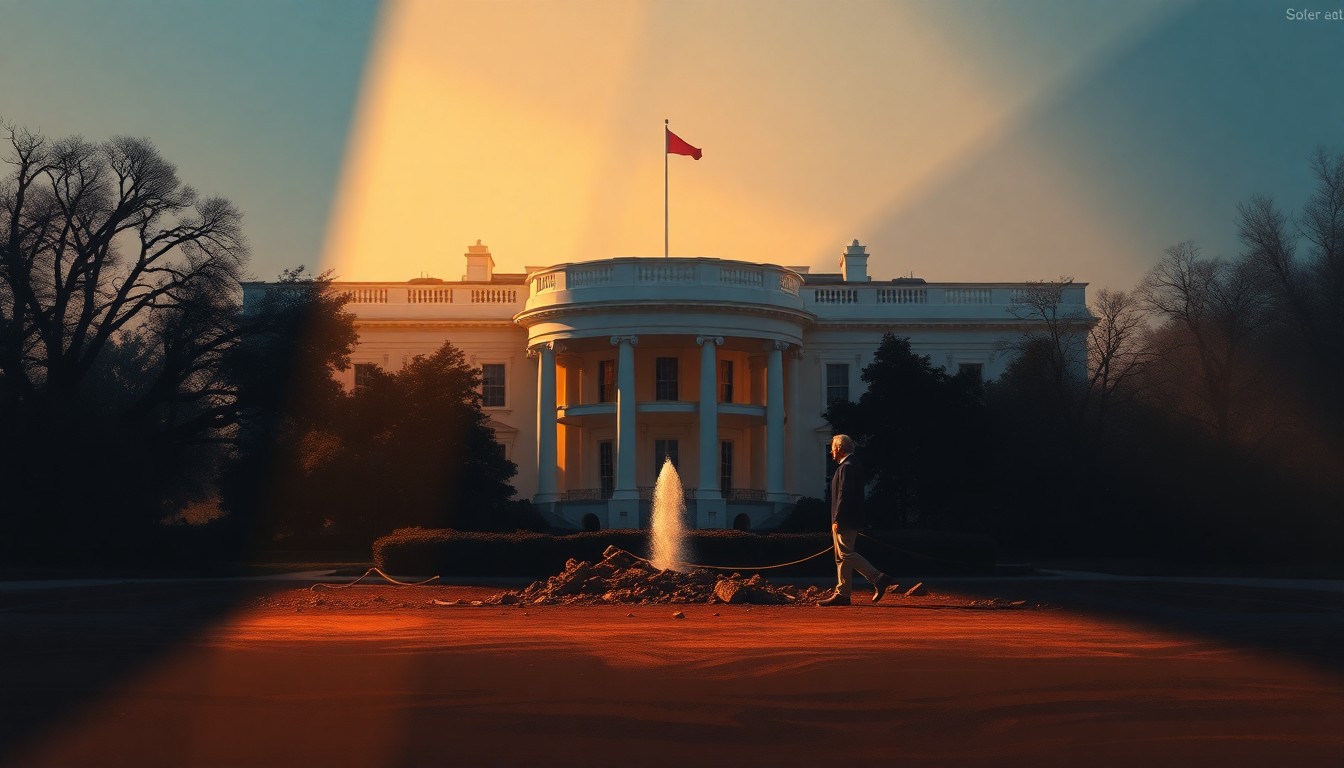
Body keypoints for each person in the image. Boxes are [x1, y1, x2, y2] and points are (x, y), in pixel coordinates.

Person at [819, 434, 892, 606]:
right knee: (841, 557)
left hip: (845, 519)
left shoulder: (847, 466)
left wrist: (838, 518)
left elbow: (844, 495)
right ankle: (842, 594)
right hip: (848, 518)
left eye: (833, 448)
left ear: (839, 448)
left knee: (845, 553)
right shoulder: (852, 465)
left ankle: (877, 577)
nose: (831, 452)